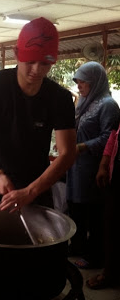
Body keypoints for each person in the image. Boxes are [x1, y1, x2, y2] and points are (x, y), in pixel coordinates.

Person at [0, 17, 77, 211]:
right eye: (30, 61)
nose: (36, 70)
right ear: (17, 54)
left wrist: (31, 191)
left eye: (44, 64)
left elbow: (67, 153)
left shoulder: (60, 97)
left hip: (38, 185)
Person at [66, 61, 119, 269]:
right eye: (78, 82)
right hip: (76, 166)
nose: (79, 87)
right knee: (76, 208)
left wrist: (81, 147)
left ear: (95, 82)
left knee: (92, 212)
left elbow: (109, 137)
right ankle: (77, 245)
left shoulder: (107, 105)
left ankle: (93, 254)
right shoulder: (84, 102)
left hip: (93, 166)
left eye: (83, 83)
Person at [86, 123, 120, 289]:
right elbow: (114, 136)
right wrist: (103, 165)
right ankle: (110, 272)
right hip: (115, 180)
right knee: (112, 227)